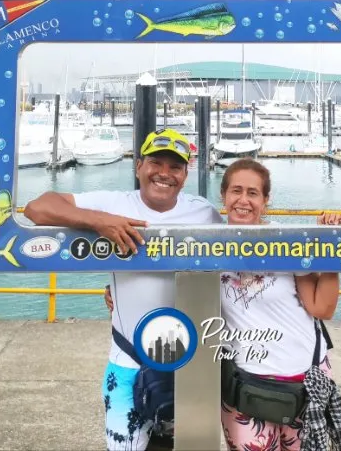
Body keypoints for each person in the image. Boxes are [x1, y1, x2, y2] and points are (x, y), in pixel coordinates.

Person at [105, 157, 341, 451]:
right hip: (243, 387)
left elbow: (321, 308)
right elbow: (167, 280)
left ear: (265, 200)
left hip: (304, 383)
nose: (243, 201)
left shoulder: (287, 242)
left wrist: (334, 249)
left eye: (253, 193)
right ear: (223, 197)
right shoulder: (206, 246)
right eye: (236, 191)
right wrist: (117, 293)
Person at [24, 127, 223, 451]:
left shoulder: (204, 213)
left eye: (175, 167)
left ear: (186, 174)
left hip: (190, 361)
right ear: (138, 166)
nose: (164, 173)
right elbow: (38, 208)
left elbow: (234, 262)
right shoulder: (112, 203)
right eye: (156, 162)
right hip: (128, 358)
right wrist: (98, 221)